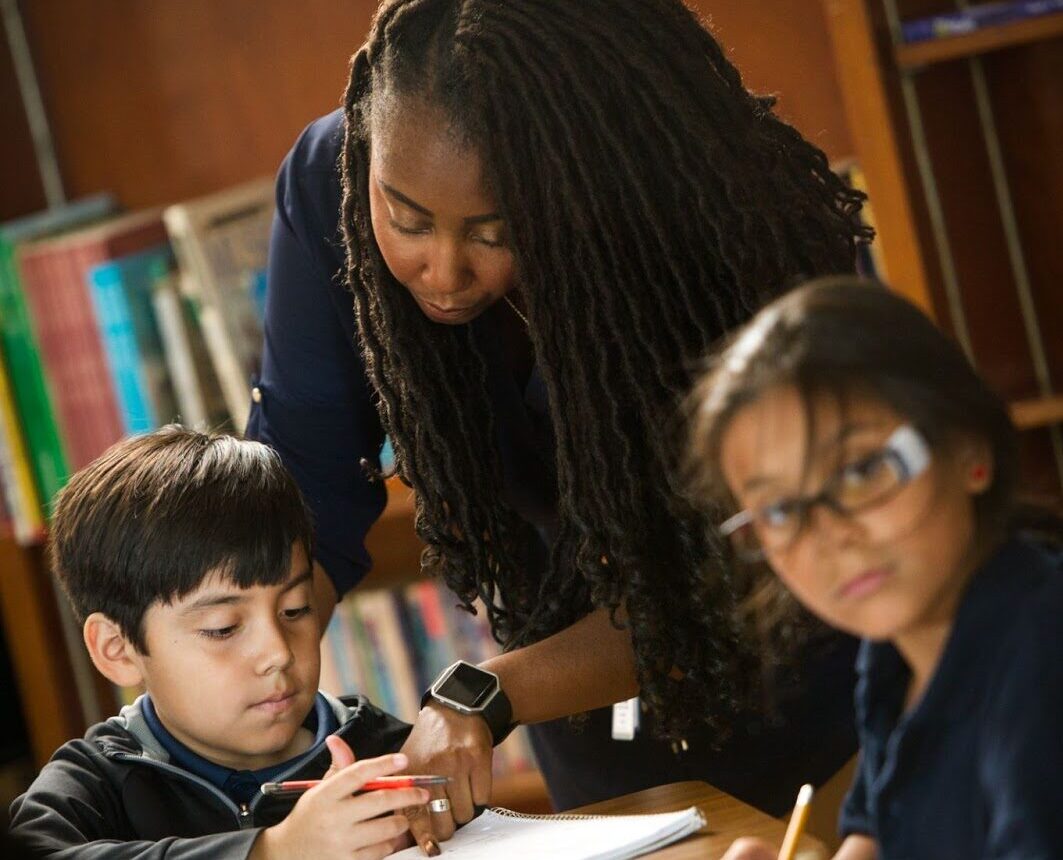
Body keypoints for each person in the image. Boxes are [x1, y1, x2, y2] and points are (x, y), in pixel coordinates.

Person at [248, 0, 872, 826]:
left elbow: (715, 572)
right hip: (580, 700)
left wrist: (485, 694)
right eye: (405, 219)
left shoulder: (719, 228)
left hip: (814, 682)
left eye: (494, 230)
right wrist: (251, 681)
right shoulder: (332, 180)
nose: (443, 271)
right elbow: (307, 488)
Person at [685, 278, 1063, 859]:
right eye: (782, 510)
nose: (829, 536)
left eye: (862, 471)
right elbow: (876, 838)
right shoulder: (895, 652)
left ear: (970, 450)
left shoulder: (1040, 657)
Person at [8, 427, 438, 859]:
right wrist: (271, 851)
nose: (279, 652)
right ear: (117, 649)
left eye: (295, 610)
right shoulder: (98, 780)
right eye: (223, 628)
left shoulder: (384, 751)